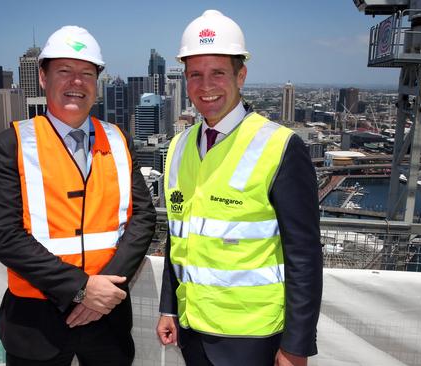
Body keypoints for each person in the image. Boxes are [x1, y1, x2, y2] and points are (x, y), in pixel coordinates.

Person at [156, 10, 323, 366]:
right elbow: (178, 236)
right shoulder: (178, 147)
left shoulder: (280, 146)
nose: (205, 86)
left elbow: (304, 256)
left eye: (218, 73)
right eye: (195, 75)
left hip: (253, 337)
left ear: (241, 75)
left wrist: (296, 345)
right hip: (192, 330)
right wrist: (169, 308)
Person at [0, 25, 156, 365]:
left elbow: (143, 218)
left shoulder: (119, 141)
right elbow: (5, 237)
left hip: (107, 322)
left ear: (97, 83)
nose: (76, 82)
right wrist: (81, 289)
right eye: (64, 71)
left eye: (87, 73)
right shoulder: (13, 145)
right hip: (36, 325)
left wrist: (102, 293)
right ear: (43, 78)